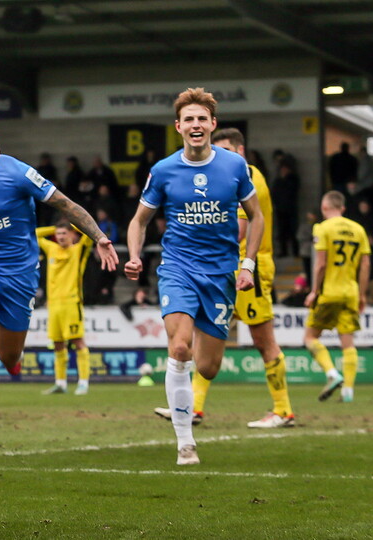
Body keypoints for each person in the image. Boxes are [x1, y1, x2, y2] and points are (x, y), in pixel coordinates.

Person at [0, 106, 117, 456]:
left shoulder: (17, 172)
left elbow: (65, 205)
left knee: (7, 355)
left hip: (19, 274)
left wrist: (99, 237)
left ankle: (12, 356)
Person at [125, 88, 262, 466]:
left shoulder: (235, 167)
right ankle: (185, 443)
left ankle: (189, 410)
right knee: (180, 348)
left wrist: (247, 265)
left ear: (213, 125)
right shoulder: (165, 170)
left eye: (202, 118)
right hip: (177, 269)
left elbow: (258, 216)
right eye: (189, 119)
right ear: (179, 127)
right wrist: (135, 256)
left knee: (208, 366)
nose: (196, 124)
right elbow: (139, 220)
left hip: (220, 274)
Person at [153, 128, 294, 428]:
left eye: (227, 150)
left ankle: (283, 409)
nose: (219, 157)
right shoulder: (229, 171)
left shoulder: (247, 176)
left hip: (246, 266)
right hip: (224, 267)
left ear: (240, 150)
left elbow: (241, 230)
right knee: (206, 333)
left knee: (262, 338)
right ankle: (193, 407)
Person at [304, 191, 371, 403]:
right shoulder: (358, 230)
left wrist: (314, 291)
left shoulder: (322, 228)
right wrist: (361, 294)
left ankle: (332, 374)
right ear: (342, 208)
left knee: (310, 337)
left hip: (329, 292)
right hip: (350, 292)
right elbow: (366, 265)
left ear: (324, 208)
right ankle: (348, 392)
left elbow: (321, 264)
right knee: (348, 343)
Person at [36, 221, 105, 396]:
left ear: (72, 235)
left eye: (64, 234)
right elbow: (34, 233)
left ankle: (83, 383)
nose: (60, 237)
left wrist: (71, 226)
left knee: (77, 341)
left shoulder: (78, 250)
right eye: (58, 234)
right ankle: (60, 383)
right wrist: (54, 228)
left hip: (71, 303)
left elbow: (88, 232)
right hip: (54, 305)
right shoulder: (51, 249)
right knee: (58, 344)